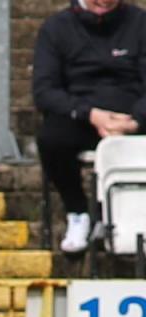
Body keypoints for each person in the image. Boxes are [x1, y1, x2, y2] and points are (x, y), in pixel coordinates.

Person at [33, 0, 146, 254]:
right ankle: (78, 212)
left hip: (132, 116)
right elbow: (44, 91)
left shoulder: (140, 23)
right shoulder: (55, 28)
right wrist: (91, 115)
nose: (103, 4)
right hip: (82, 117)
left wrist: (135, 120)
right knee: (51, 138)